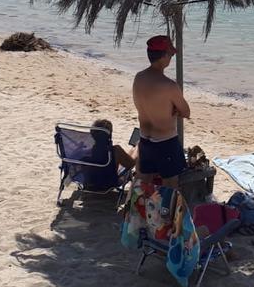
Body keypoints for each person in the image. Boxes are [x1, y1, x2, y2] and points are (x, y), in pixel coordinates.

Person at [131, 35, 190, 186]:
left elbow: (144, 104)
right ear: (163, 57)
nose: (171, 58)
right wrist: (173, 109)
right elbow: (186, 112)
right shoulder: (169, 85)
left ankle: (138, 203)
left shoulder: (139, 78)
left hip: (145, 139)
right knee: (170, 185)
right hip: (165, 141)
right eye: (170, 54)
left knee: (143, 183)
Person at [80, 119, 138, 191]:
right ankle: (136, 146)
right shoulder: (115, 151)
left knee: (124, 155)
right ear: (109, 135)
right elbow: (131, 164)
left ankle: (133, 148)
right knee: (136, 149)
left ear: (92, 134)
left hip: (90, 184)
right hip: (108, 184)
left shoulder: (84, 152)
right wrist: (137, 148)